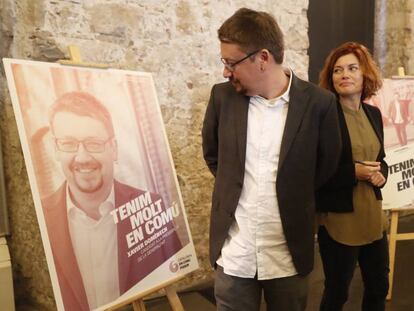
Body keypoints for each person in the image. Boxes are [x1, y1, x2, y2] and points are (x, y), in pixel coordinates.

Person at [202, 8, 342, 311]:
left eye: (231, 62)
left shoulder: (320, 104)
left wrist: (291, 191)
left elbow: (327, 166)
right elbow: (214, 157)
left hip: (287, 255)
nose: (226, 71)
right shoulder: (222, 98)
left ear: (263, 58)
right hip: (235, 253)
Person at [42, 91, 181, 311]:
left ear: (113, 148)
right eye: (68, 143)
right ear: (56, 148)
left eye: (94, 143)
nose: (83, 157)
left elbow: (173, 269)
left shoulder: (150, 206)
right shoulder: (43, 217)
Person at [317, 42, 389, 310]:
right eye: (337, 70)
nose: (344, 74)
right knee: (337, 291)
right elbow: (313, 171)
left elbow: (380, 160)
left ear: (364, 75)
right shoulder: (324, 116)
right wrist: (353, 172)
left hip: (373, 217)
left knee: (379, 285)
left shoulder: (374, 114)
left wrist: (382, 174)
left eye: (351, 68)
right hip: (339, 221)